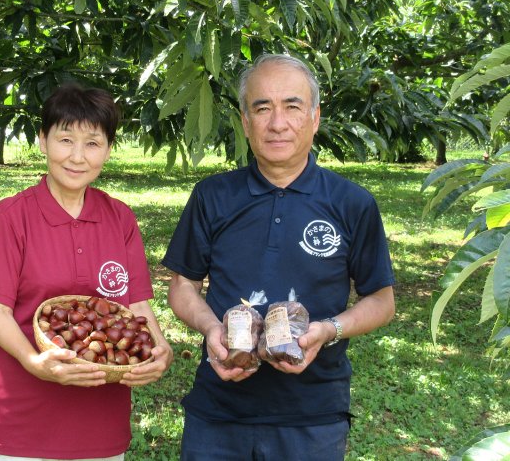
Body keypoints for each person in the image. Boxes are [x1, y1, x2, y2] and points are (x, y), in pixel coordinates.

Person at [161, 54, 395, 460]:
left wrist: (328, 331)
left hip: (313, 415)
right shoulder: (212, 196)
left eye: (292, 106)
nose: (277, 122)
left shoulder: (352, 203)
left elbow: (381, 301)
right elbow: (183, 285)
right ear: (245, 121)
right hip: (218, 410)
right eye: (262, 107)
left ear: (315, 117)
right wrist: (211, 328)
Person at [0, 83, 173, 461]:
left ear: (108, 149)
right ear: (42, 141)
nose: (78, 157)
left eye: (93, 143)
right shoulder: (9, 218)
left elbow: (136, 306)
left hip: (102, 427)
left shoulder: (119, 217)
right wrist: (34, 363)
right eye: (65, 140)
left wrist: (158, 352)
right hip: (22, 427)